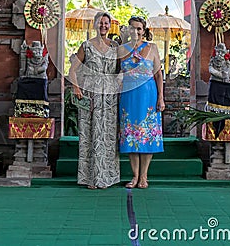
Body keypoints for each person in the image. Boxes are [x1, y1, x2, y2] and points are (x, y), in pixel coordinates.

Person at [69, 11, 120, 189]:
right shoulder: (86, 46)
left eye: (106, 23)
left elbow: (120, 70)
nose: (104, 26)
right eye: (100, 23)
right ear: (95, 24)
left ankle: (106, 177)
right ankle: (90, 178)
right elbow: (72, 70)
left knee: (107, 134)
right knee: (91, 135)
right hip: (90, 94)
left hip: (110, 97)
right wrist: (76, 88)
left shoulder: (115, 46)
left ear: (110, 25)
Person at [118, 16, 165, 189]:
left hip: (148, 96)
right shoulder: (121, 49)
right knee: (131, 136)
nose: (136, 31)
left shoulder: (152, 48)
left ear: (144, 30)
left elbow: (158, 75)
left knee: (147, 135)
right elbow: (116, 73)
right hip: (128, 96)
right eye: (133, 28)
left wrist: (161, 97)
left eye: (139, 28)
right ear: (128, 30)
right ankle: (135, 176)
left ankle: (144, 176)